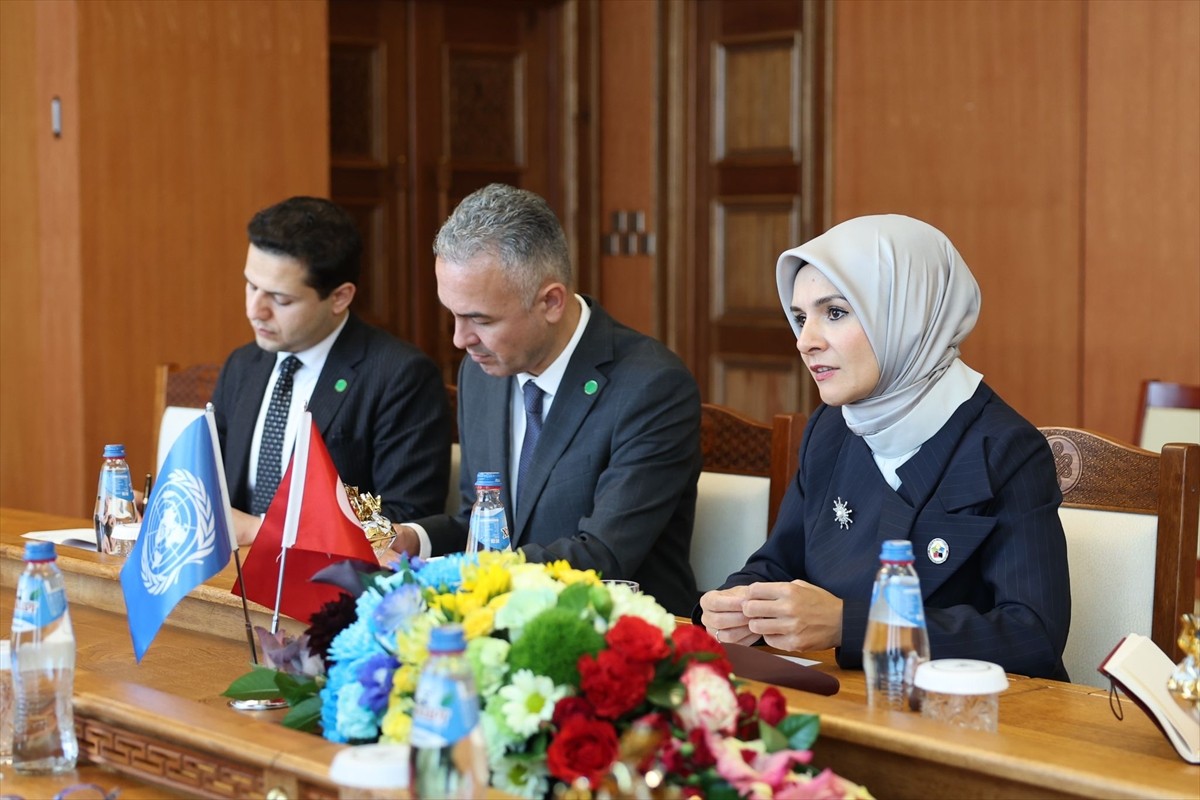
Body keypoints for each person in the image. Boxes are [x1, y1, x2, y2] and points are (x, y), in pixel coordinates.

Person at [698, 215, 1071, 681]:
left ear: (907, 313)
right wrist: (737, 602)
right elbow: (778, 562)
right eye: (799, 317)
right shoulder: (830, 429)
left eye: (834, 313)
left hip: (974, 723)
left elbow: (1032, 634)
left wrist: (848, 624)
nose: (805, 341)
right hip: (849, 700)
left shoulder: (1005, 448)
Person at [390, 183, 702, 616]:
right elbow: (483, 523)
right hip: (496, 626)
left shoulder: (651, 386)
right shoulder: (483, 373)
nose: (461, 340)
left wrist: (453, 573)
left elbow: (603, 555)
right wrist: (412, 539)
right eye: (453, 315)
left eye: (479, 319)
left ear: (551, 302)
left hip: (615, 637)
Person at [212, 196, 452, 545]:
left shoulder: (400, 377)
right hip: (230, 582)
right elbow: (209, 484)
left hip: (334, 588)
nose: (255, 311)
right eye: (251, 286)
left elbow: (402, 521)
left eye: (280, 299)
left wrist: (259, 531)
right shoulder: (243, 365)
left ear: (340, 297)